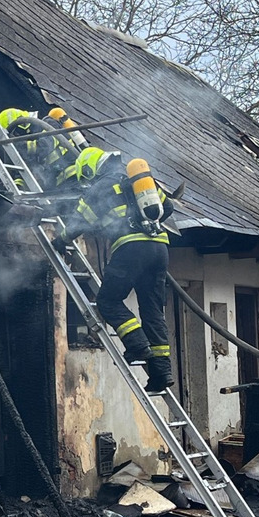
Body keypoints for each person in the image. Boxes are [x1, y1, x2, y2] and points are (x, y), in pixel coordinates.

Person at [57, 146, 177, 392]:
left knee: (108, 301)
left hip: (130, 250)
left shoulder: (100, 187)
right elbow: (169, 208)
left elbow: (79, 222)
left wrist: (60, 241)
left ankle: (136, 344)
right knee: (153, 310)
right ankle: (161, 374)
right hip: (160, 249)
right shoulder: (137, 182)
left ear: (90, 168)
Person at [0, 107, 88, 191]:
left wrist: (19, 145)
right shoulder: (30, 147)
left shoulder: (48, 123)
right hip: (60, 186)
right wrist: (17, 186)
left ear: (22, 124)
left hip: (76, 176)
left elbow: (45, 146)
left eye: (16, 133)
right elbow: (23, 170)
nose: (17, 136)